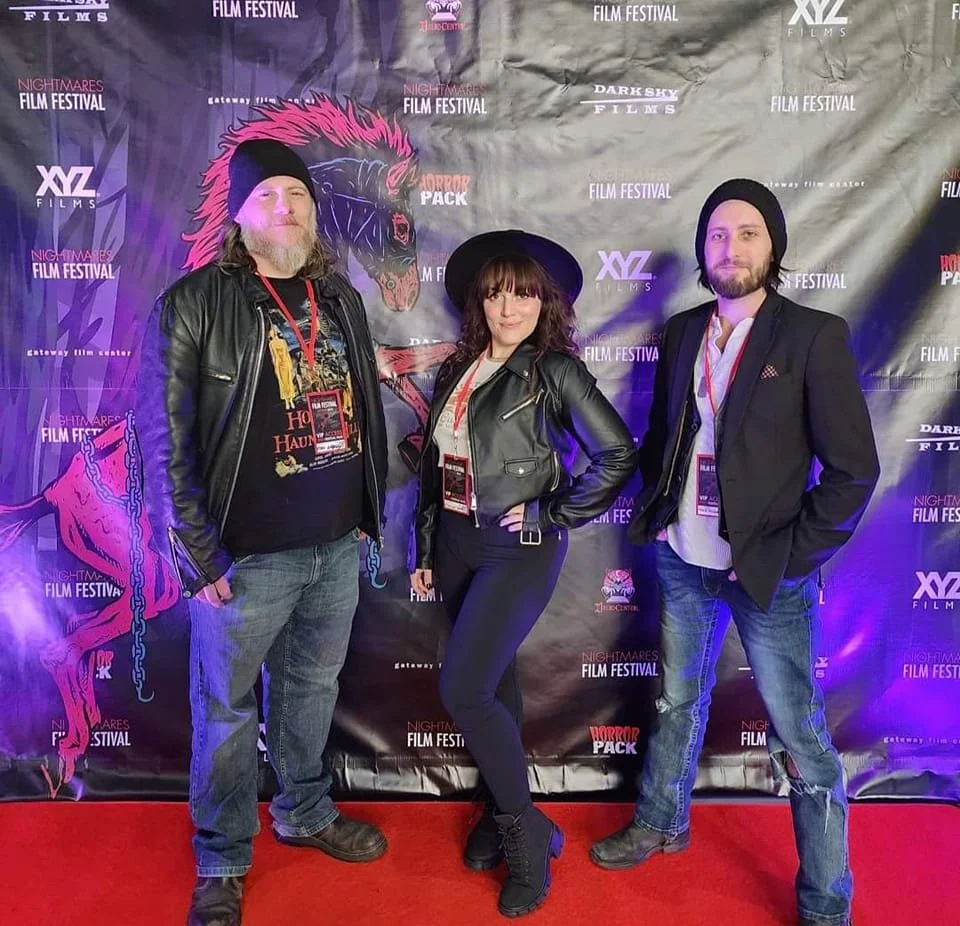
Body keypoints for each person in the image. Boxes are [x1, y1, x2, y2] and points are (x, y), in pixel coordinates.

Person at [589, 179, 880, 926]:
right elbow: (667, 435)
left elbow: (854, 472)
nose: (732, 247)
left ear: (773, 245)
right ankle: (662, 820)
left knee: (801, 738)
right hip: (685, 559)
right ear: (702, 249)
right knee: (678, 701)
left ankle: (824, 900)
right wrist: (658, 511)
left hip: (768, 575)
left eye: (748, 233)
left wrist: (791, 556)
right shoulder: (687, 331)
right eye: (718, 234)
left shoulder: (812, 335)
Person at [136, 139, 389, 926]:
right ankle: (222, 854)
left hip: (335, 547)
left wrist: (365, 519)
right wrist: (196, 552)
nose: (290, 209)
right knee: (225, 709)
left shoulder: (341, 300)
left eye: (300, 196)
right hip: (242, 560)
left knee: (312, 690)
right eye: (271, 196)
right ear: (240, 217)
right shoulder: (191, 306)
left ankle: (306, 811)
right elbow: (161, 440)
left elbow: (362, 414)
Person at [411, 230, 637, 918]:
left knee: (466, 687)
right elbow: (432, 468)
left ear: (546, 302)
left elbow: (618, 454)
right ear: (479, 301)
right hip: (455, 543)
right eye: (496, 292)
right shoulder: (459, 367)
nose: (509, 306)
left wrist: (553, 511)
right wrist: (425, 550)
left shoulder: (555, 371)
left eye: (524, 292)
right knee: (496, 684)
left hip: (519, 547)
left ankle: (526, 837)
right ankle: (505, 810)